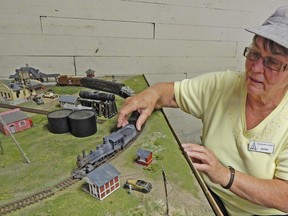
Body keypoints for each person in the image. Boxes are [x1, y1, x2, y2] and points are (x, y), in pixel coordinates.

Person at [117, 5, 288, 216]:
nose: (255, 67)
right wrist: (150, 95)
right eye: (254, 53)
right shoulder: (224, 84)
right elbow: (168, 93)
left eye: (272, 62)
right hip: (209, 197)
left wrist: (224, 175)